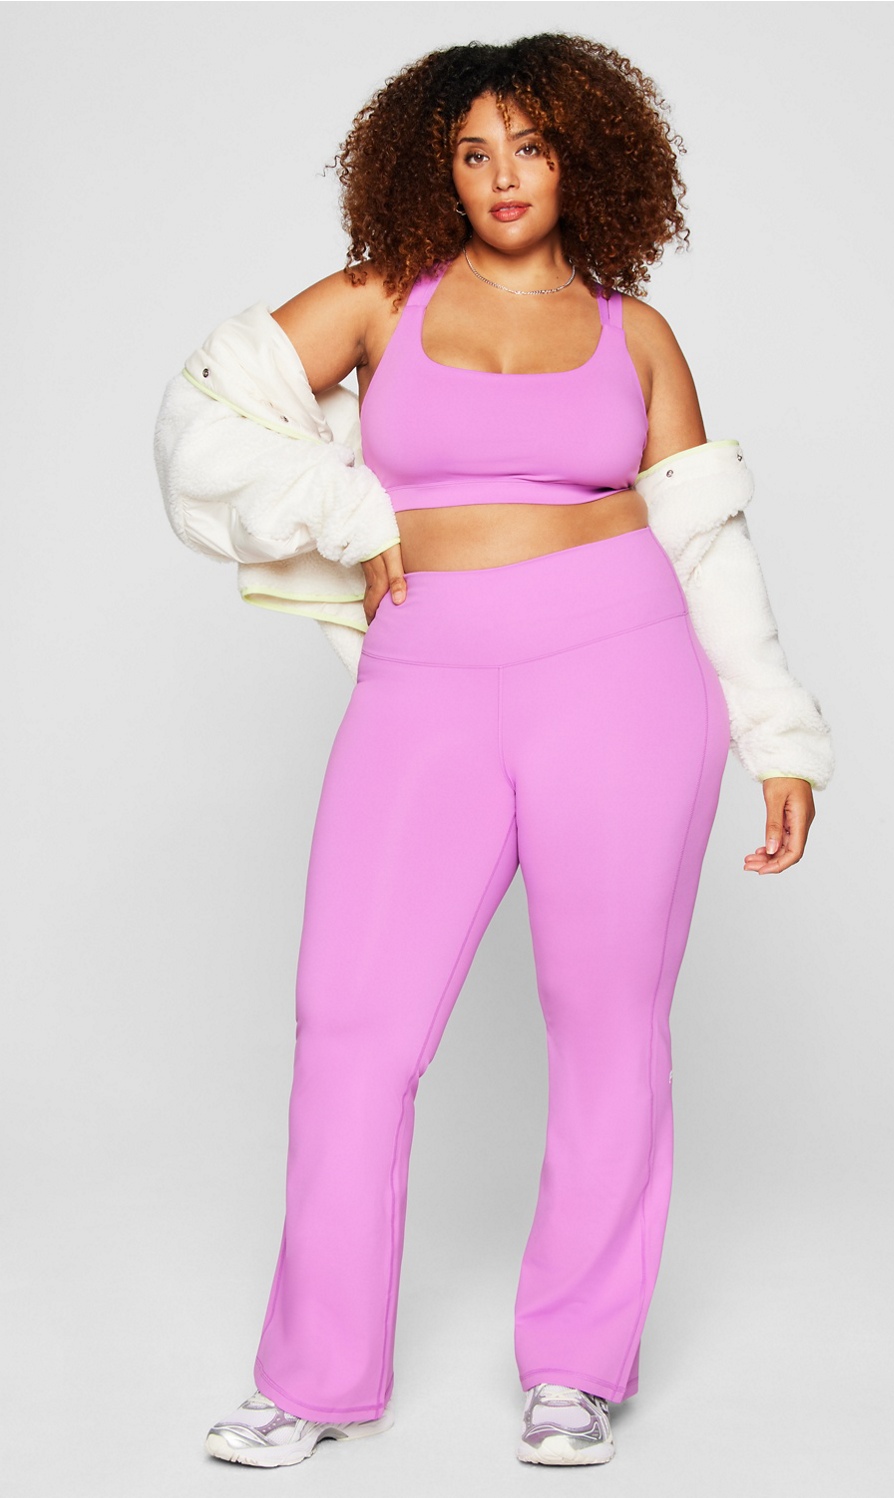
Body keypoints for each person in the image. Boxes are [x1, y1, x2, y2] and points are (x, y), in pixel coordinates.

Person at [153, 32, 834, 1470]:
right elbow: (198, 429)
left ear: (583, 158)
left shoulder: (637, 335)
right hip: (428, 683)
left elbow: (706, 545)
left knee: (608, 1026)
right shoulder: (377, 299)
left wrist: (779, 732)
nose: (503, 176)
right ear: (433, 169)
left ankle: (576, 1368)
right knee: (352, 1021)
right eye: (472, 152)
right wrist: (346, 513)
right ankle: (312, 1377)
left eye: (528, 146)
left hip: (626, 672)